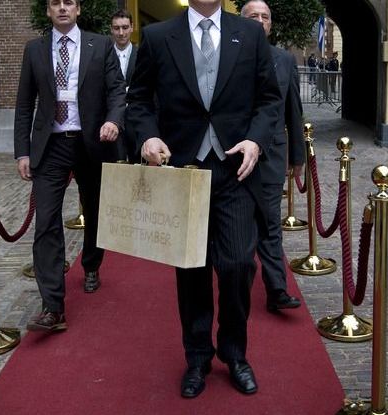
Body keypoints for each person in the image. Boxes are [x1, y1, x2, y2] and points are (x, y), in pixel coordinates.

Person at [126, 0, 281, 399]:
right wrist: (147, 137)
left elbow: (269, 99)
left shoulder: (248, 34)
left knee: (236, 266)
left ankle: (235, 353)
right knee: (192, 270)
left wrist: (256, 140)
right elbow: (139, 101)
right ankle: (197, 357)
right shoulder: (160, 37)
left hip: (235, 170)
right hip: (183, 173)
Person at [14, 0, 125, 332]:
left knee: (94, 210)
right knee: (46, 221)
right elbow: (23, 104)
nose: (62, 8)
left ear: (77, 10)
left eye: (69, 3)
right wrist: (23, 152)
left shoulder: (101, 45)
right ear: (48, 11)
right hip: (51, 146)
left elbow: (117, 91)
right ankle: (52, 306)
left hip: (91, 141)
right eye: (55, 3)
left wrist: (113, 121)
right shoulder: (34, 50)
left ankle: (91, 264)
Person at [241, 0, 303, 313]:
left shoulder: (284, 59)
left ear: (270, 25)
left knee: (269, 223)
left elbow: (293, 108)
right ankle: (240, 283)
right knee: (240, 225)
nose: (260, 21)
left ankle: (277, 289)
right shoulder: (231, 55)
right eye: (253, 16)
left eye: (265, 17)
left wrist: (297, 158)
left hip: (272, 154)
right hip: (234, 155)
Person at [110, 9, 139, 162]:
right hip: (112, 122)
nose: (121, 33)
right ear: (111, 29)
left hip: (136, 120)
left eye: (125, 27)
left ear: (132, 27)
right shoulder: (103, 56)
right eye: (116, 28)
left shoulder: (142, 55)